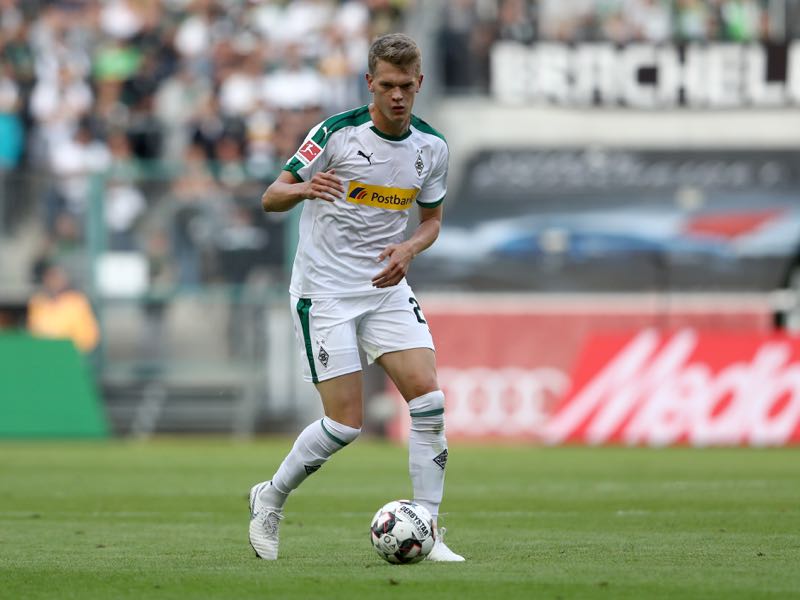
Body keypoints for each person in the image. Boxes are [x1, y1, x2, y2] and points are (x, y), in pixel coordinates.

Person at [249, 33, 463, 562]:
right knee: (345, 424)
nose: (397, 96)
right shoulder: (336, 134)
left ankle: (428, 527)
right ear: (370, 83)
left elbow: (432, 221)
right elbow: (270, 196)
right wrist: (304, 188)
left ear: (419, 84)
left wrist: (409, 248)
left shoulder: (432, 148)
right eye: (386, 85)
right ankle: (270, 497)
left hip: (385, 287)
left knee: (429, 402)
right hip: (324, 292)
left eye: (406, 86)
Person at [27, 261, 100, 354]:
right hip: (43, 354)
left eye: (56, 277)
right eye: (50, 277)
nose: (53, 281)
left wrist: (67, 347)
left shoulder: (77, 302)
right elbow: (33, 332)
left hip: (70, 355)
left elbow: (89, 336)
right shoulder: (37, 302)